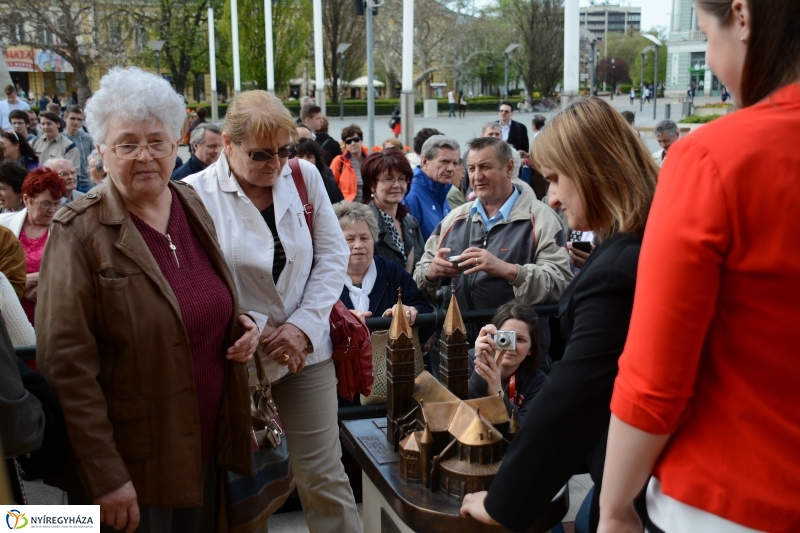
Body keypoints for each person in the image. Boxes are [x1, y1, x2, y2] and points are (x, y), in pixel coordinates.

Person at [600, 1, 800, 532]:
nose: (710, 57)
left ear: (743, 16)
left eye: (707, 35)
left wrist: (616, 505)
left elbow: (655, 375)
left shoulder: (716, 158)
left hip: (732, 497)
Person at [36, 67, 258, 533]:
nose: (144, 156)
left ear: (177, 144)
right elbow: (67, 368)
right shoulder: (77, 232)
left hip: (207, 451)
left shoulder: (190, 203)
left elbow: (192, 301)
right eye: (127, 143)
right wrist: (105, 476)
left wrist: (237, 325)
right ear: (100, 150)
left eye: (157, 142)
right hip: (134, 469)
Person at [459, 97, 658, 533]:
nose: (551, 195)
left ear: (591, 171)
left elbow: (574, 397)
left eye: (555, 179)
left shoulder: (617, 268)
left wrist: (502, 502)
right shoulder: (639, 240)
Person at [184, 90, 362, 532]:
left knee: (323, 475)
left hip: (307, 352)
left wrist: (301, 328)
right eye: (262, 154)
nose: (276, 164)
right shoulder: (192, 195)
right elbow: (198, 281)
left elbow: (332, 257)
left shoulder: (303, 175)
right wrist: (262, 328)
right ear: (227, 144)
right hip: (237, 359)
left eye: (283, 150)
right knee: (248, 484)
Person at [413, 136, 572, 340]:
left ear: (509, 168)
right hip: (459, 350)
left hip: (518, 354)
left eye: (485, 167)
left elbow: (561, 284)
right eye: (471, 168)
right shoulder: (455, 218)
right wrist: (431, 273)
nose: (477, 176)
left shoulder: (541, 218)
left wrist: (508, 270)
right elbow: (418, 280)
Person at [333, 202, 433, 402]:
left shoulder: (392, 272)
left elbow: (426, 316)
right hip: (340, 387)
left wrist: (411, 311)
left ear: (374, 239)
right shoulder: (324, 278)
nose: (358, 245)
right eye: (349, 239)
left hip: (393, 384)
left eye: (365, 238)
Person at [0, 168, 65, 326]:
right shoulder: (3, 224)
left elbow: (70, 272)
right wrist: (27, 282)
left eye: (57, 203)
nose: (52, 210)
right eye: (45, 203)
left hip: (50, 314)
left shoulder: (67, 230)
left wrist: (37, 282)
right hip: (7, 312)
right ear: (26, 199)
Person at [470, 301, 546, 423]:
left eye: (520, 339)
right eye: (504, 337)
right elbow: (457, 413)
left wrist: (498, 396)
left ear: (531, 349)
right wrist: (480, 372)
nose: (511, 346)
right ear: (490, 336)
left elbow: (524, 430)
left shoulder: (538, 381)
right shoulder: (468, 361)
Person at [359, 149, 424, 273]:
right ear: (372, 184)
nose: (396, 185)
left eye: (401, 179)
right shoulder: (363, 224)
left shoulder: (411, 222)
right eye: (388, 179)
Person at [402, 135, 458, 241]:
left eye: (455, 163)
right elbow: (410, 247)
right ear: (424, 161)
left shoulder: (440, 188)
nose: (451, 168)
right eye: (444, 162)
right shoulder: (412, 195)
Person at [294, 137, 345, 204]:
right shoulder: (285, 183)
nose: (304, 160)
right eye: (300, 156)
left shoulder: (328, 184)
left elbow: (339, 206)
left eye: (309, 157)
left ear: (316, 160)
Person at [330, 124, 368, 202]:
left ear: (361, 140)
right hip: (348, 207)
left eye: (356, 139)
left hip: (369, 205)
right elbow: (331, 186)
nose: (353, 143)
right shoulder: (339, 161)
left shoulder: (370, 160)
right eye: (348, 141)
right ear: (345, 144)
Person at [63, 106, 93, 192]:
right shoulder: (60, 139)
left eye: (79, 119)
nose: (76, 122)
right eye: (72, 118)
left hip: (88, 181)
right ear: (65, 118)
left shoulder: (88, 138)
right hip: (68, 182)